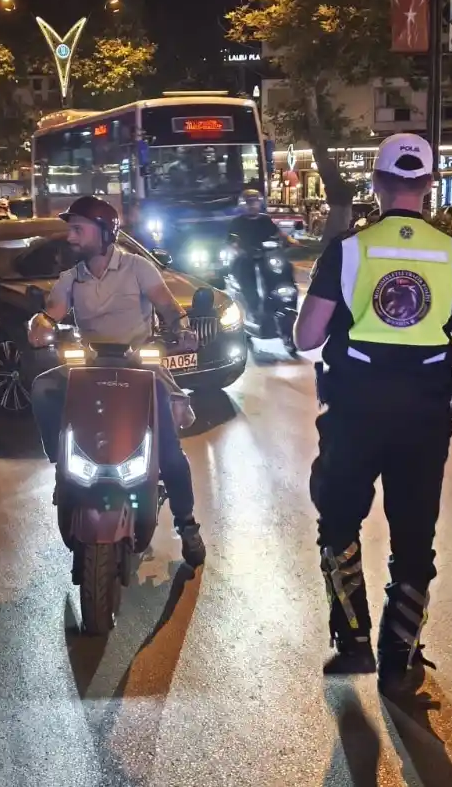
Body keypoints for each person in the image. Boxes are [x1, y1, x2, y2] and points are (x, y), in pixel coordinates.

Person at [294, 133, 452, 695]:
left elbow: (306, 336)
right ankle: (399, 659)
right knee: (415, 536)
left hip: (355, 410)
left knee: (338, 522)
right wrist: (440, 321)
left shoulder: (348, 251)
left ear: (377, 182)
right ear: (429, 185)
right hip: (425, 415)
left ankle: (355, 640)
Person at [30, 195, 207, 567]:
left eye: (78, 229)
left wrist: (182, 329)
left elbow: (167, 307)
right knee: (43, 388)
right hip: (89, 367)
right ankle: (62, 463)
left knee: (170, 452)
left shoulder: (138, 268)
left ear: (105, 233)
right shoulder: (70, 279)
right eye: (71, 229)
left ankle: (187, 524)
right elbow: (52, 313)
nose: (71, 237)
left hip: (139, 366)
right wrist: (41, 325)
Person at [227, 188, 284, 320]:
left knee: (284, 268)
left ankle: (282, 302)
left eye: (255, 202)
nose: (252, 205)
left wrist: (287, 241)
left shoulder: (266, 220)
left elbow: (277, 235)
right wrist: (238, 247)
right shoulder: (237, 222)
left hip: (266, 257)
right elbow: (232, 240)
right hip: (246, 259)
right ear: (243, 204)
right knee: (246, 277)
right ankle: (252, 308)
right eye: (249, 202)